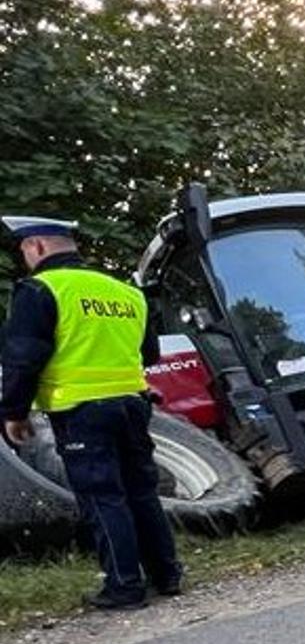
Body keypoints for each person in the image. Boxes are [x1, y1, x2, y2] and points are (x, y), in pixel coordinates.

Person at [2, 215, 179, 610]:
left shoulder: (40, 289)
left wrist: (13, 412)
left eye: (24, 251)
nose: (25, 258)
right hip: (133, 405)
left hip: (80, 409)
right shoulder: (124, 291)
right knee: (141, 492)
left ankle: (124, 586)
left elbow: (23, 359)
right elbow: (149, 354)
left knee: (103, 498)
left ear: (38, 247)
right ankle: (167, 575)